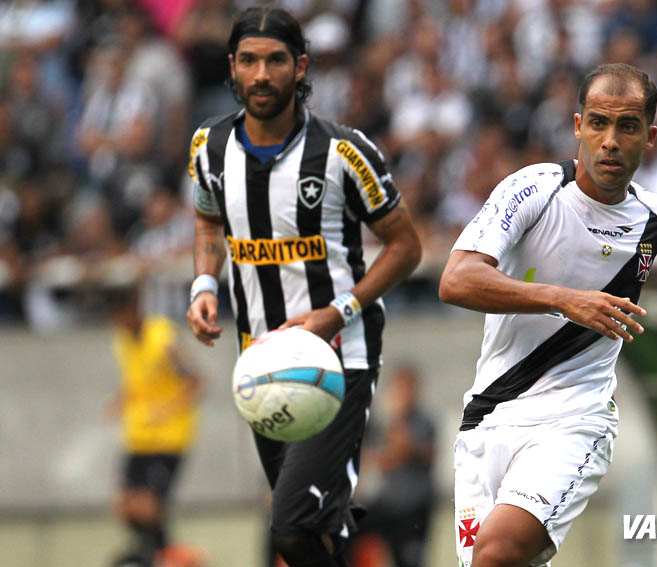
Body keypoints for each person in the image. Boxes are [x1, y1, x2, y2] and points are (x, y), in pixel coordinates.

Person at [184, 7, 422, 567]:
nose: (261, 74)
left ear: (300, 68)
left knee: (289, 529)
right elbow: (206, 221)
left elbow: (406, 246)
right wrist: (203, 284)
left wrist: (337, 313)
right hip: (261, 362)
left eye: (274, 61)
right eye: (249, 61)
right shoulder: (209, 149)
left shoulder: (344, 152)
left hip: (340, 359)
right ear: (232, 68)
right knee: (315, 536)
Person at [439, 63, 657, 567]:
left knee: (497, 552)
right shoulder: (534, 189)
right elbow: (456, 279)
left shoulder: (656, 221)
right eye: (598, 123)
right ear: (577, 126)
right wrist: (564, 298)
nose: (610, 140)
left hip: (575, 417)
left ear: (649, 136)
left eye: (627, 126)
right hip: (490, 416)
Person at [105, 285, 203, 567]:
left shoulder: (162, 337)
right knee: (125, 504)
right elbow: (137, 380)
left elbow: (195, 381)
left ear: (133, 310)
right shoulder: (121, 340)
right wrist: (120, 401)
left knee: (148, 506)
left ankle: (165, 554)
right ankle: (160, 553)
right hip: (138, 435)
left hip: (169, 436)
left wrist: (167, 409)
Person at [350, 363, 436, 567]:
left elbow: (413, 450)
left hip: (414, 507)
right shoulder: (384, 424)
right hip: (388, 506)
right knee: (350, 529)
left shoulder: (423, 422)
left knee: (408, 560)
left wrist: (398, 423)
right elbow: (380, 460)